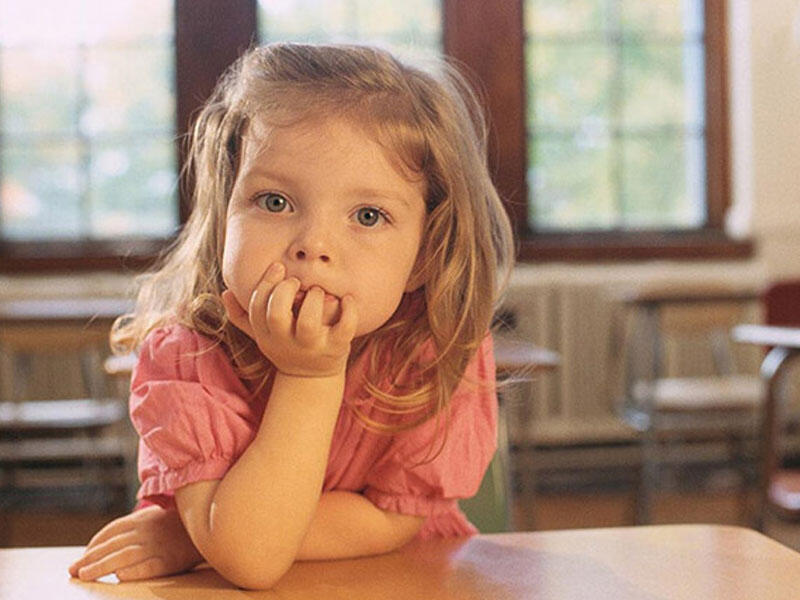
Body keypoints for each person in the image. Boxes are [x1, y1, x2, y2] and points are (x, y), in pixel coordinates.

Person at [69, 42, 514, 590]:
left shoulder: (436, 348)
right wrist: (310, 376)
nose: (314, 245)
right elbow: (251, 557)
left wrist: (193, 538)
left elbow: (388, 520)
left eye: (367, 215)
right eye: (275, 202)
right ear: (224, 214)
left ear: (424, 257)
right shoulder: (187, 355)